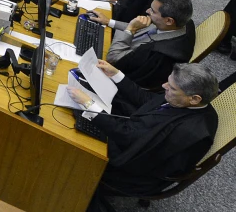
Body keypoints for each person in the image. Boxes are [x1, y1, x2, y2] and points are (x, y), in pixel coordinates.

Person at [67, 62, 218, 212]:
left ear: (195, 99)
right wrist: (115, 74)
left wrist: (88, 104)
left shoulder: (187, 132)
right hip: (139, 139)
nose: (164, 86)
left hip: (135, 170)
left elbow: (127, 137)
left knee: (74, 149)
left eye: (171, 88)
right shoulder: (187, 101)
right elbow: (148, 100)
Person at [89, 0, 195, 89]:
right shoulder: (182, 23)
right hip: (123, 48)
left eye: (152, 11)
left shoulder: (159, 54)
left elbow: (113, 59)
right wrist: (109, 22)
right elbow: (140, 27)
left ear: (168, 20)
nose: (147, 11)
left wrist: (130, 30)